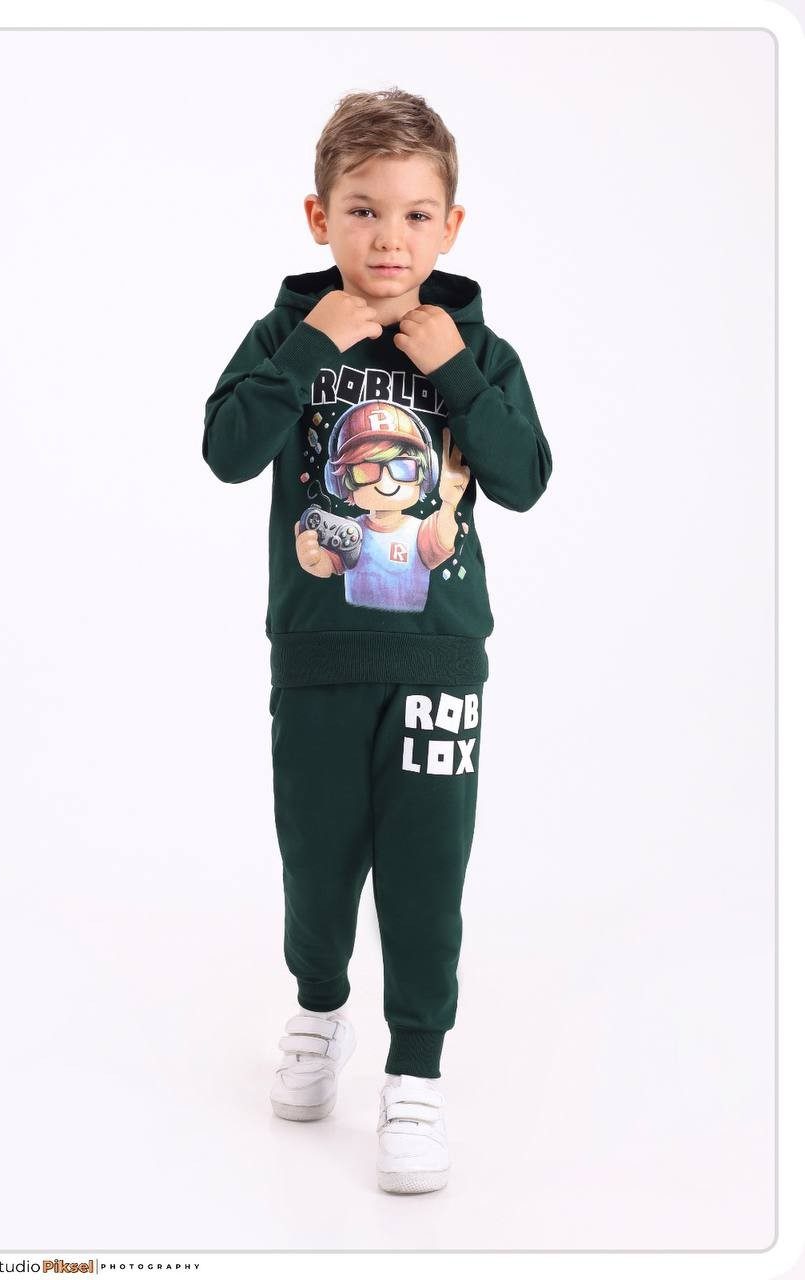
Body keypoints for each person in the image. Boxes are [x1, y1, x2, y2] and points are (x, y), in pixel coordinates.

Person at [202, 87, 553, 1195]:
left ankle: (416, 1074)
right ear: (320, 217)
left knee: (423, 876)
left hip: (437, 662)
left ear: (450, 226)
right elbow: (226, 451)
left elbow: (524, 479)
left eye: (413, 214)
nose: (387, 237)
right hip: (316, 658)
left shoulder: (478, 347)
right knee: (315, 864)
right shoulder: (288, 337)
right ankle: (318, 1012)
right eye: (362, 210)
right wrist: (311, 346)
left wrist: (453, 367)